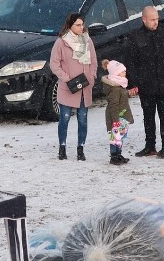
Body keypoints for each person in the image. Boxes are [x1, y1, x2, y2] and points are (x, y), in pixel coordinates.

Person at [126, 5, 164, 159]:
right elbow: (130, 63)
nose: (155, 22)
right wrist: (133, 83)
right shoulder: (135, 37)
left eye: (157, 19)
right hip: (146, 85)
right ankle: (150, 146)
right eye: (152, 20)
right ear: (144, 19)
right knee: (148, 117)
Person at [49, 13, 97, 161]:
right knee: (65, 118)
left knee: (83, 119)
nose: (81, 27)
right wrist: (66, 79)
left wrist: (91, 76)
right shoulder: (61, 42)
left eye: (82, 24)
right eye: (77, 25)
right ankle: (62, 147)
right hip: (68, 87)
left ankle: (80, 148)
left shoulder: (87, 41)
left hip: (84, 87)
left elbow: (93, 61)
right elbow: (54, 64)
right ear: (70, 25)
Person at [102, 59, 134, 166]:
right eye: (122, 71)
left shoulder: (120, 85)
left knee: (119, 137)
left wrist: (128, 93)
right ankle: (114, 155)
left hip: (121, 116)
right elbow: (113, 105)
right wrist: (115, 121)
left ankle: (118, 154)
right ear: (116, 73)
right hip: (117, 117)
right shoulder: (115, 88)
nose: (125, 72)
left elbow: (121, 97)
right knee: (115, 137)